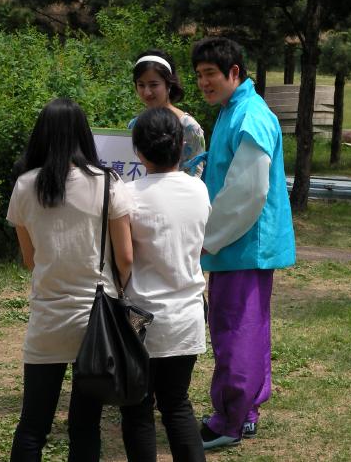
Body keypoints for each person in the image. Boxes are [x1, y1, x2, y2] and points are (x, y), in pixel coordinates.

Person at [7, 98, 133, 461]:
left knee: (33, 425)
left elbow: (30, 260)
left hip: (47, 317)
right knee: (84, 426)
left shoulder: (26, 186)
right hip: (96, 322)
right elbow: (125, 257)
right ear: (84, 134)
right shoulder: (108, 183)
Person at [191, 37, 296, 449]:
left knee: (236, 331)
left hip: (241, 243)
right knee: (246, 329)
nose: (204, 82)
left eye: (211, 74)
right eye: (199, 75)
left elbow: (246, 192)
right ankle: (244, 412)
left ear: (235, 72)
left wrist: (208, 239)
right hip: (239, 244)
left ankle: (230, 421)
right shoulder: (234, 110)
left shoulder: (250, 115)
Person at [119, 107, 210, 462]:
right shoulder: (199, 191)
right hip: (188, 315)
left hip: (140, 320)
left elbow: (122, 259)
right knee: (177, 405)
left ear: (138, 151)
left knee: (138, 407)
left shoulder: (126, 194)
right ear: (180, 147)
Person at [129, 49, 206, 177]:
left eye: (153, 85)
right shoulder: (134, 125)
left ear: (169, 85)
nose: (147, 92)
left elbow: (196, 174)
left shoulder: (189, 126)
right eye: (141, 85)